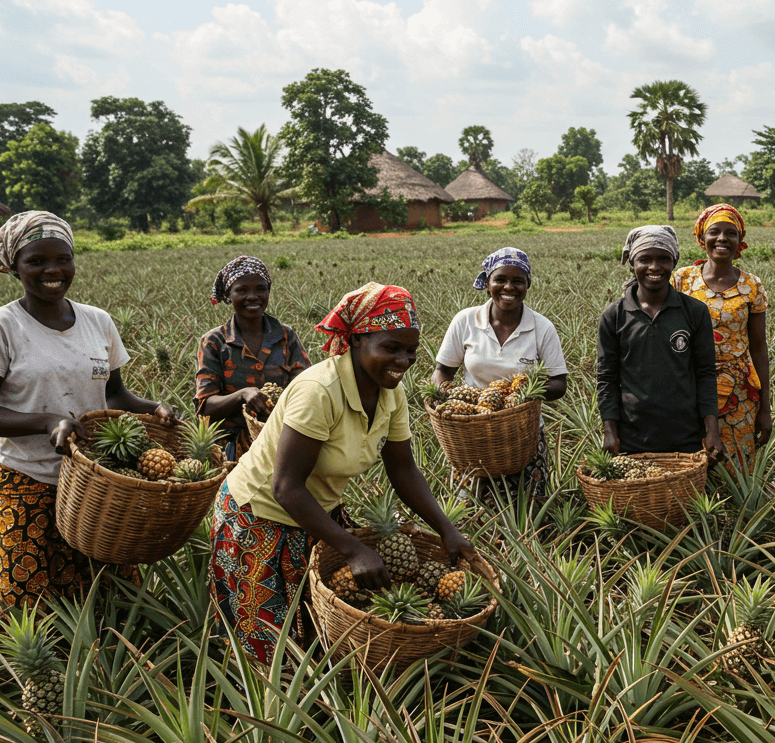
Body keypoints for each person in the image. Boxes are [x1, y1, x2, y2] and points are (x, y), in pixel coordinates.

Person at [210, 283, 475, 665]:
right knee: (270, 645)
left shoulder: (391, 391)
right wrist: (353, 548)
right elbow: (285, 487)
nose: (404, 360)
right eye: (391, 347)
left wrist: (446, 528)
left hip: (317, 513)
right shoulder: (319, 391)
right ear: (356, 340)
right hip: (257, 517)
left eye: (411, 350)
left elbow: (402, 469)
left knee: (321, 634)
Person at [0, 211, 174, 608]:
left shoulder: (97, 321)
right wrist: (48, 421)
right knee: (33, 604)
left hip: (98, 485)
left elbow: (115, 396)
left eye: (62, 258)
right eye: (36, 261)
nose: (53, 270)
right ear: (15, 267)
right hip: (27, 482)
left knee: (112, 597)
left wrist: (155, 407)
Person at [433, 247, 569, 502]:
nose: (509, 287)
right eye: (500, 280)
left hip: (524, 434)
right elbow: (442, 372)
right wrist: (448, 398)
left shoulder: (542, 327)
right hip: (472, 432)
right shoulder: (465, 321)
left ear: (528, 284)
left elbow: (559, 384)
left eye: (518, 281)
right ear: (487, 284)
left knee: (527, 511)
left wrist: (522, 393)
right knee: (470, 511)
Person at [598, 225, 727, 463]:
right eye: (644, 260)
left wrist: (712, 431)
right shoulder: (614, 315)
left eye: (663, 259)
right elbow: (607, 378)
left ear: (674, 262)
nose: (655, 268)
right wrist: (610, 431)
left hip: (685, 435)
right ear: (632, 263)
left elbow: (706, 374)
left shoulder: (694, 312)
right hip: (631, 437)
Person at [670, 204, 771, 469]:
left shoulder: (751, 285)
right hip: (689, 386)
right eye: (715, 232)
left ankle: (739, 512)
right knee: (692, 464)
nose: (723, 238)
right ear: (702, 238)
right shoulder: (680, 281)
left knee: (737, 464)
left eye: (731, 233)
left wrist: (766, 408)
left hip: (740, 389)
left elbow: (759, 349)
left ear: (740, 242)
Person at [195, 255, 310, 459]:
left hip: (280, 441)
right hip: (229, 449)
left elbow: (306, 387)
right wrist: (243, 394)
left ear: (268, 292)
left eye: (260, 289)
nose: (252, 296)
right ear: (229, 295)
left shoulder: (285, 336)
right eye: (242, 290)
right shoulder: (214, 342)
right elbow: (205, 407)